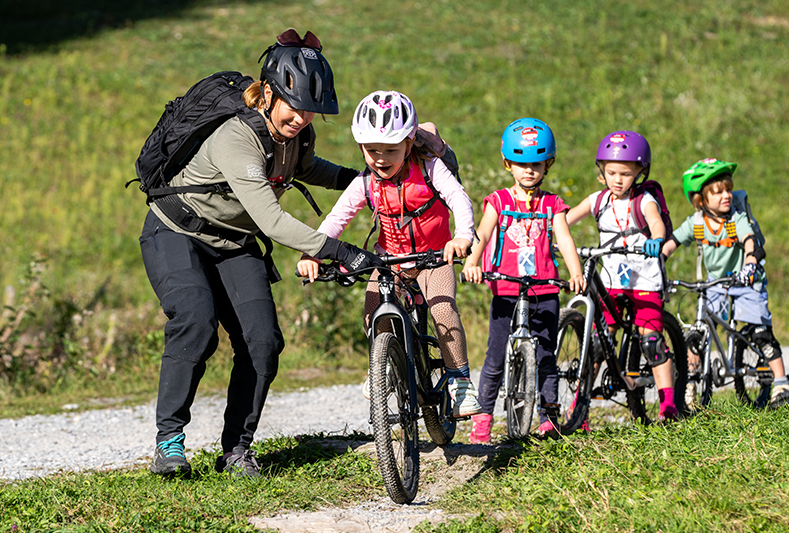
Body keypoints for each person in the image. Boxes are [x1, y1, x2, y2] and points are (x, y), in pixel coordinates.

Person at [139, 29, 383, 478]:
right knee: (195, 322)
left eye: (311, 111)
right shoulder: (237, 138)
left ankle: (237, 450)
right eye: (295, 107)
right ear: (268, 93)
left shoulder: (295, 136)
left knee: (263, 341)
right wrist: (340, 250)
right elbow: (271, 220)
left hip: (234, 244)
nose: (303, 118)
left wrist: (365, 180)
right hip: (176, 233)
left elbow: (311, 170)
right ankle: (169, 442)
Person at [296, 90, 482, 418]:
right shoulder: (366, 181)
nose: (380, 158)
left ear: (409, 144)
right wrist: (313, 254)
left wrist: (463, 236)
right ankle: (381, 367)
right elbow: (337, 218)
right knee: (372, 311)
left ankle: (460, 381)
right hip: (388, 259)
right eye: (371, 150)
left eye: (391, 150)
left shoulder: (429, 168)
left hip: (433, 256)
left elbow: (459, 198)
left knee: (442, 310)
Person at [462, 118, 586, 443]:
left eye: (536, 163)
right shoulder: (499, 201)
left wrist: (576, 273)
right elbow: (484, 233)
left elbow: (566, 239)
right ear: (508, 163)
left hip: (544, 289)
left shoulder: (552, 205)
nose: (528, 170)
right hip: (505, 288)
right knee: (495, 356)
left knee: (546, 354)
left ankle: (549, 416)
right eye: (521, 163)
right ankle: (484, 416)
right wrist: (473, 261)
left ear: (548, 164)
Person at [661, 158, 789, 409]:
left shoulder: (736, 218)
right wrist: (659, 261)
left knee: (760, 332)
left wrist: (749, 264)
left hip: (746, 278)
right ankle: (690, 383)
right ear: (701, 199)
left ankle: (782, 384)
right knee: (700, 330)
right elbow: (672, 243)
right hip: (716, 282)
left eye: (728, 189)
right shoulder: (697, 222)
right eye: (718, 191)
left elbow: (748, 239)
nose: (726, 195)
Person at [566, 130, 679, 422]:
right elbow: (564, 219)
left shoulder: (643, 200)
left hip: (644, 281)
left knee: (651, 341)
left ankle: (668, 404)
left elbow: (656, 222)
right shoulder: (598, 200)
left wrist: (656, 238)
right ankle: (579, 409)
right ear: (602, 172)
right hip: (613, 281)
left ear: (641, 172)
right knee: (596, 344)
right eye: (611, 172)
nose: (618, 179)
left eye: (626, 174)